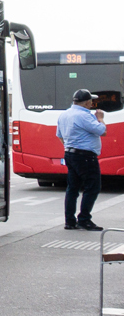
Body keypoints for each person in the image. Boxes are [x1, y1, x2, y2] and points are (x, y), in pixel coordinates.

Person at [56, 88, 107, 231]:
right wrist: (100, 119)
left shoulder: (64, 114)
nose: (92, 104)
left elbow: (59, 135)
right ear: (86, 103)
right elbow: (102, 131)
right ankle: (84, 219)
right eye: (91, 101)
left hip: (70, 154)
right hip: (85, 156)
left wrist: (70, 146)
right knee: (93, 187)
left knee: (72, 188)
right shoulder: (84, 115)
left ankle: (69, 221)